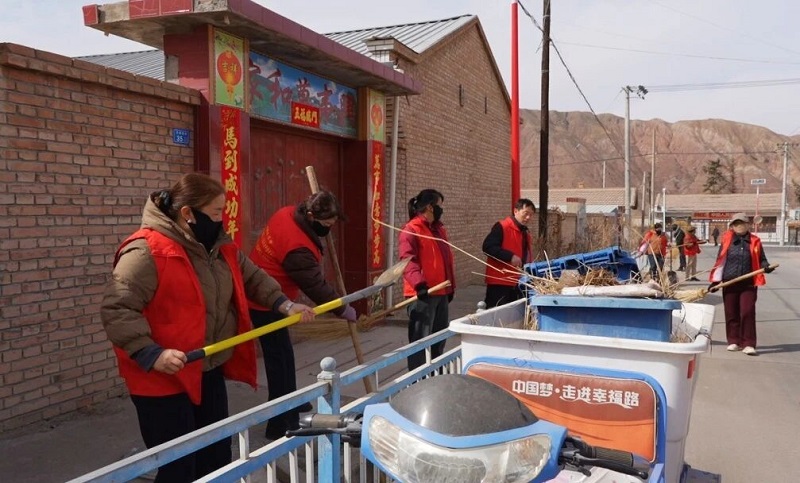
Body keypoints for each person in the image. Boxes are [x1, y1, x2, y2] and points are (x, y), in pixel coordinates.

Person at [100, 173, 315, 482]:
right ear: (188, 213)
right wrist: (151, 353)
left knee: (216, 456)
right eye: (215, 212)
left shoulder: (219, 247)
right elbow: (118, 307)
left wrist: (285, 304)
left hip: (206, 366)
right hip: (164, 376)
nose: (220, 219)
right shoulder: (147, 251)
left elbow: (253, 277)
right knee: (179, 465)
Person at [248, 190, 358, 439]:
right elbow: (315, 286)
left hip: (274, 297)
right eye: (326, 224)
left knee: (285, 358)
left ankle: (293, 401)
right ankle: (279, 424)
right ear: (310, 216)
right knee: (279, 363)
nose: (328, 229)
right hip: (266, 302)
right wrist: (341, 308)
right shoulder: (297, 247)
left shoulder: (287, 213)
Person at [398, 189, 455, 370]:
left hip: (440, 291)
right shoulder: (411, 230)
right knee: (420, 341)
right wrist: (419, 284)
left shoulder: (438, 229)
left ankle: (436, 375)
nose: (441, 210)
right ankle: (418, 378)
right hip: (422, 294)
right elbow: (407, 261)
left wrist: (450, 288)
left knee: (439, 339)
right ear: (430, 207)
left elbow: (445, 260)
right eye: (439, 205)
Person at [709, 212, 773, 356]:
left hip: (748, 283)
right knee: (731, 312)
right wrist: (715, 282)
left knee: (747, 312)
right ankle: (734, 341)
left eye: (741, 223)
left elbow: (762, 259)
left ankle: (748, 343)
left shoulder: (755, 241)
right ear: (732, 226)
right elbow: (720, 261)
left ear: (747, 225)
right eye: (736, 224)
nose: (739, 226)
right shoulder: (727, 240)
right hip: (729, 282)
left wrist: (766, 266)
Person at [482, 198, 536, 307]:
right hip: (500, 283)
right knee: (496, 314)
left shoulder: (524, 232)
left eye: (531, 215)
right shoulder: (502, 227)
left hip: (518, 282)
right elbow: (488, 247)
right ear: (516, 211)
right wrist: (510, 256)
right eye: (525, 213)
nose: (528, 217)